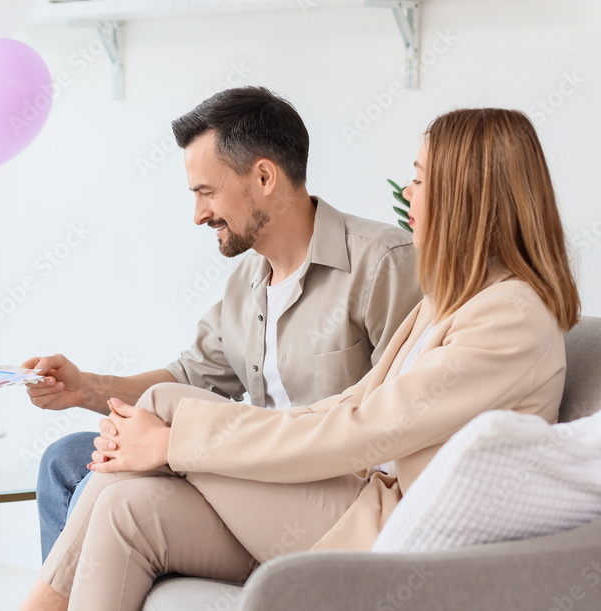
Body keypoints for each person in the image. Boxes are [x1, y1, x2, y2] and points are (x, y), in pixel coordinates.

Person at [21, 107, 581, 610]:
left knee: (163, 410)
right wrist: (115, 405)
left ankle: (40, 602)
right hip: (349, 495)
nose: (408, 193)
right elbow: (351, 403)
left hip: (395, 530)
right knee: (126, 507)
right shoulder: (451, 300)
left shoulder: (507, 316)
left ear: (468, 193)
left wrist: (173, 443)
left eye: (418, 178)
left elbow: (364, 430)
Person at [25, 86, 423, 559]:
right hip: (248, 473)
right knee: (67, 460)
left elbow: (406, 420)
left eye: (206, 192)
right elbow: (187, 377)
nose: (198, 215)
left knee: (121, 475)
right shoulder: (246, 283)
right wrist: (84, 388)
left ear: (263, 177)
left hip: (327, 497)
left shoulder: (383, 263)